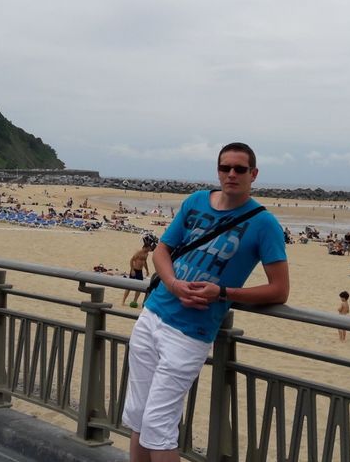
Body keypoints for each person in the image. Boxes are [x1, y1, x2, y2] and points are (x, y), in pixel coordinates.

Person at [123, 143, 289, 461]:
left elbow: (279, 290)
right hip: (152, 314)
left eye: (240, 169)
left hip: (190, 333)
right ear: (218, 171)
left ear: (254, 174)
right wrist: (173, 284)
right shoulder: (196, 201)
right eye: (225, 168)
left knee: (158, 424)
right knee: (138, 415)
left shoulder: (264, 224)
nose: (231, 174)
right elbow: (162, 251)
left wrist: (222, 293)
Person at [123, 236, 156, 308]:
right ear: (145, 247)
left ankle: (135, 301)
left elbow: (145, 262)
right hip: (134, 270)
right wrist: (132, 270)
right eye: (149, 248)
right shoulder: (138, 253)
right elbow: (132, 260)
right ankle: (123, 301)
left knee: (139, 286)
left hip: (140, 271)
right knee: (129, 286)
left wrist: (147, 270)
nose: (150, 249)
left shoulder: (146, 254)